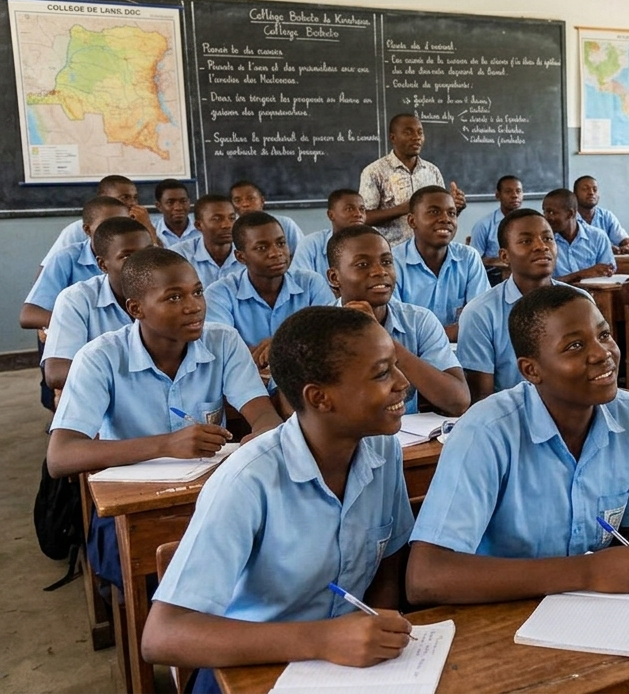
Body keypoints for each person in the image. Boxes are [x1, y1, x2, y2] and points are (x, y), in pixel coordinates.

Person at [142, 307, 414, 689]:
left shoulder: (384, 452)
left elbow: (390, 560)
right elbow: (162, 636)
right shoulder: (247, 481)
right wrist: (324, 639)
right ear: (319, 398)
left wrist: (380, 628)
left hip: (348, 668)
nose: (403, 382)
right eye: (383, 372)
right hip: (252, 669)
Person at [406, 286, 629, 605]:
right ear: (532, 370)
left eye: (604, 335)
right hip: (498, 612)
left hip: (594, 609)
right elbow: (426, 577)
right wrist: (586, 572)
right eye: (574, 345)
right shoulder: (487, 431)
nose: (603, 353)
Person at [46, 247, 281, 586]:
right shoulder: (100, 358)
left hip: (211, 493)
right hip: (134, 506)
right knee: (156, 569)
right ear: (136, 308)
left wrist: (260, 435)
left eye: (197, 292)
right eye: (173, 298)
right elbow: (61, 456)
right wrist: (167, 444)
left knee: (260, 557)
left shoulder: (223, 342)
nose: (194, 306)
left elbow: (264, 416)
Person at [327, 225, 470, 416]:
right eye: (362, 264)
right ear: (334, 277)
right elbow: (296, 408)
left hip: (407, 438)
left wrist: (379, 337)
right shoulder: (316, 330)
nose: (380, 271)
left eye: (386, 261)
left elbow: (458, 401)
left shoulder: (419, 321)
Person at [457, 209, 585, 401]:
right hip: (511, 420)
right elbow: (482, 397)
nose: (541, 246)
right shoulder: (481, 312)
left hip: (574, 409)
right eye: (526, 241)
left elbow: (592, 369)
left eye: (548, 238)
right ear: (504, 256)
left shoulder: (579, 301)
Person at [205, 212, 335, 376]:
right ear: (240, 257)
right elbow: (222, 351)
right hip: (246, 381)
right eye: (262, 248)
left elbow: (329, 338)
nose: (276, 253)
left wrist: (279, 346)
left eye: (281, 243)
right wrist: (297, 347)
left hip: (304, 377)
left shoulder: (310, 283)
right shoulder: (220, 293)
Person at [42, 218, 154, 392]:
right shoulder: (77, 299)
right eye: (127, 256)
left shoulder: (170, 295)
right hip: (108, 402)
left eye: (147, 253)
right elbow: (56, 372)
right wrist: (132, 385)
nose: (141, 264)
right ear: (102, 264)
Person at [391, 186, 488, 341]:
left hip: (461, 354)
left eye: (451, 213)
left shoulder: (468, 258)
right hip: (410, 358)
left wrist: (424, 336)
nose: (445, 219)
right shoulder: (392, 262)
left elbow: (480, 322)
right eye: (434, 212)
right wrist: (454, 332)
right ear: (412, 220)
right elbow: (396, 329)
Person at [21, 196, 130, 332]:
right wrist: (75, 324)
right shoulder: (67, 259)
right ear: (87, 230)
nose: (116, 232)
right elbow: (29, 315)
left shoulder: (138, 256)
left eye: (123, 224)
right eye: (106, 225)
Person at [360, 113, 462, 246]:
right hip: (392, 252)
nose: (416, 137)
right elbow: (362, 218)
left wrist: (456, 207)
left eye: (420, 132)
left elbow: (441, 216)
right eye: (408, 132)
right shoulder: (374, 172)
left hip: (429, 251)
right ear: (393, 138)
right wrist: (402, 209)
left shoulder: (432, 171)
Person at [41, 175, 156, 267]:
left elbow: (158, 261)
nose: (133, 203)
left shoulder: (140, 224)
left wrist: (147, 227)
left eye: (135, 197)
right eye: (125, 197)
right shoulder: (76, 231)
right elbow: (47, 269)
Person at [170, 195, 245, 289]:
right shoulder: (179, 255)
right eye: (217, 219)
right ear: (198, 225)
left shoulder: (247, 252)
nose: (227, 225)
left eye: (232, 218)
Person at [292, 188, 367, 280]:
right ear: (331, 215)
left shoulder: (376, 244)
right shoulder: (311, 244)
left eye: (362, 209)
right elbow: (301, 282)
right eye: (349, 209)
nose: (358, 214)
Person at [542, 188, 615, 282]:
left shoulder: (598, 237)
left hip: (593, 294)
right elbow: (544, 283)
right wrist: (580, 275)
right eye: (545, 212)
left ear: (570, 214)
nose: (547, 217)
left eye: (552, 212)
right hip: (557, 295)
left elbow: (606, 275)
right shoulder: (544, 241)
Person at [229, 181, 306, 256]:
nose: (245, 204)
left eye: (251, 198)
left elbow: (302, 255)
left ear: (262, 201)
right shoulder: (229, 228)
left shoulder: (285, 223)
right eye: (238, 200)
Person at [470, 175, 525, 268]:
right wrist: (503, 262)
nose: (515, 195)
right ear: (498, 195)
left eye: (518, 191)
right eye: (508, 192)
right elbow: (474, 259)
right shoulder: (483, 225)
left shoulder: (530, 223)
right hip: (495, 276)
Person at [573, 175, 629, 254]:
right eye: (585, 189)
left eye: (595, 189)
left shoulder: (606, 216)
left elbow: (623, 239)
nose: (591, 192)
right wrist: (605, 249)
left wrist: (627, 245)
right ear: (574, 194)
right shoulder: (568, 217)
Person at [151, 179, 198, 246]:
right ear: (159, 206)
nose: (178, 207)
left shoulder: (202, 229)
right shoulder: (153, 232)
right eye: (170, 202)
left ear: (189, 202)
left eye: (183, 201)